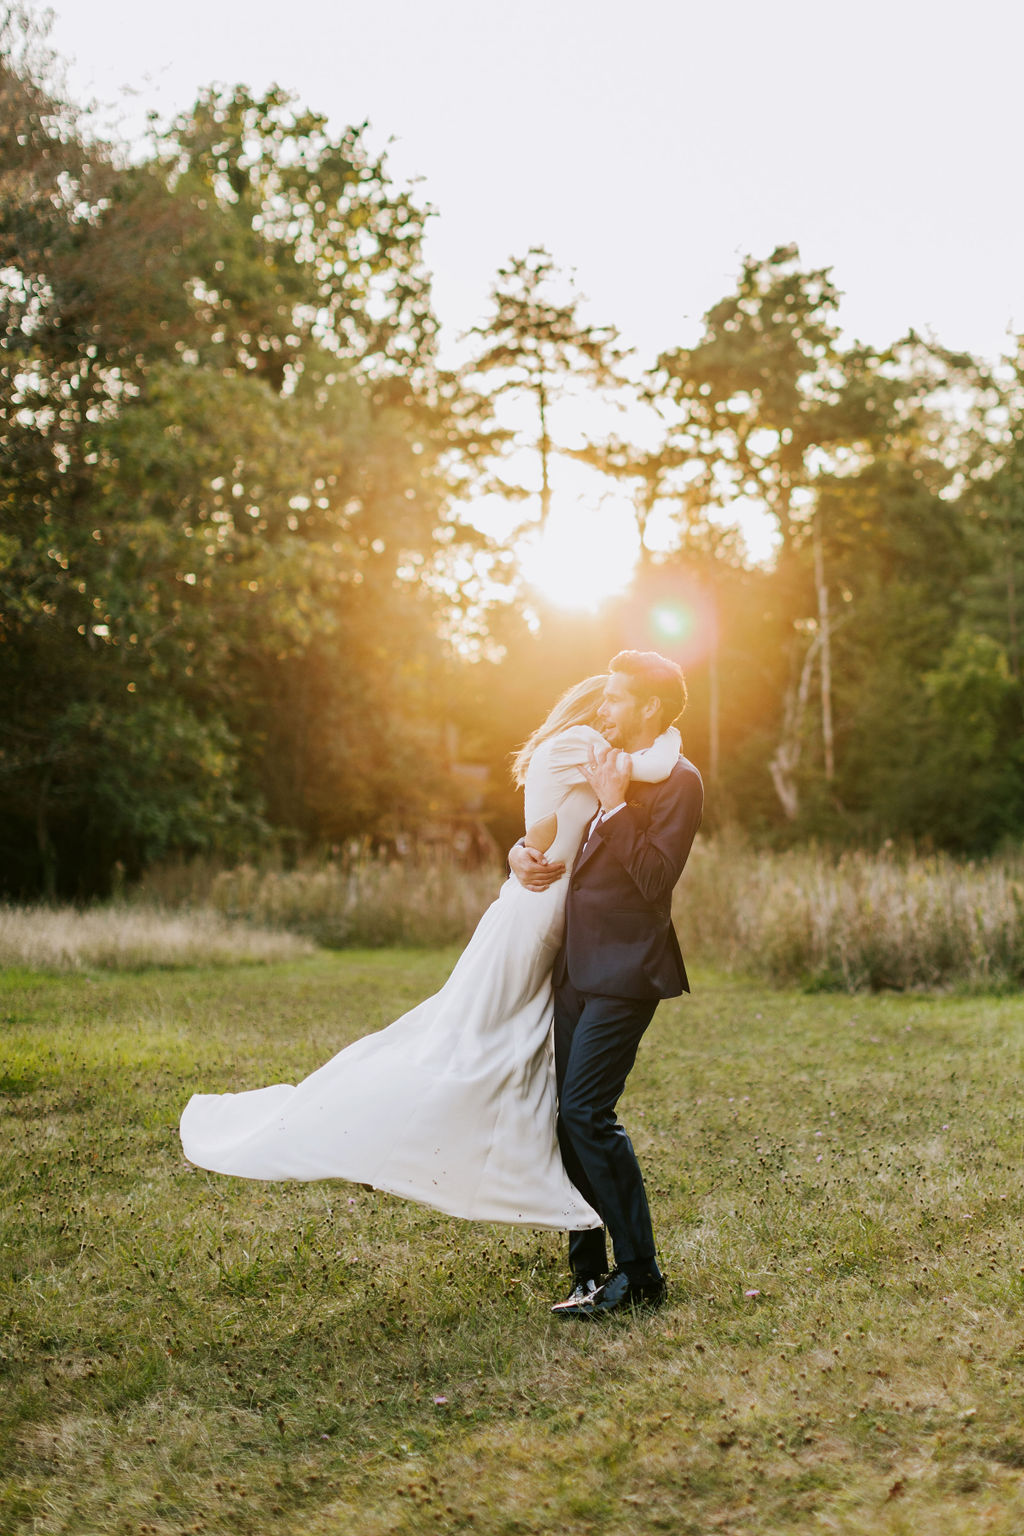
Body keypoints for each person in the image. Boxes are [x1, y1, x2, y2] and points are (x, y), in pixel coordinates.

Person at [179, 674, 681, 1234]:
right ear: (588, 712)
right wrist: (670, 730)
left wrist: (520, 851)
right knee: (464, 1047)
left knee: (501, 1050)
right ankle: (380, 1130)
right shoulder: (579, 748)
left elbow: (558, 829)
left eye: (618, 703)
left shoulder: (570, 753)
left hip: (553, 922)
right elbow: (659, 762)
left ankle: (546, 1194)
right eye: (606, 704)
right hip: (537, 923)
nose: (612, 715)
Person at [509, 651, 703, 1319]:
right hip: (573, 966)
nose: (605, 709)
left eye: (617, 698)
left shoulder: (679, 782)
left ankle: (642, 1275)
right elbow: (552, 832)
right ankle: (588, 1273)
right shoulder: (603, 764)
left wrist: (619, 806)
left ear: (649, 707)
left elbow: (655, 881)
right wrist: (520, 854)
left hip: (628, 968)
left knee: (587, 1114)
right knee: (563, 1120)